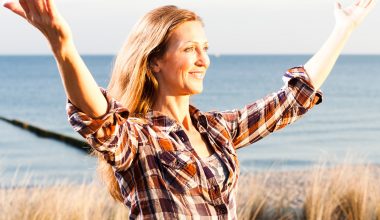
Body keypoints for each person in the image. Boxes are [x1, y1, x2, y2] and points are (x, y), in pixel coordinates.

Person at [4, 0, 376, 219]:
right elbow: (99, 116)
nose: (204, 60)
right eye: (189, 50)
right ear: (154, 62)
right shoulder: (139, 140)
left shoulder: (216, 129)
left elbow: (291, 100)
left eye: (205, 48)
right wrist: (62, 45)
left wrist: (343, 29)